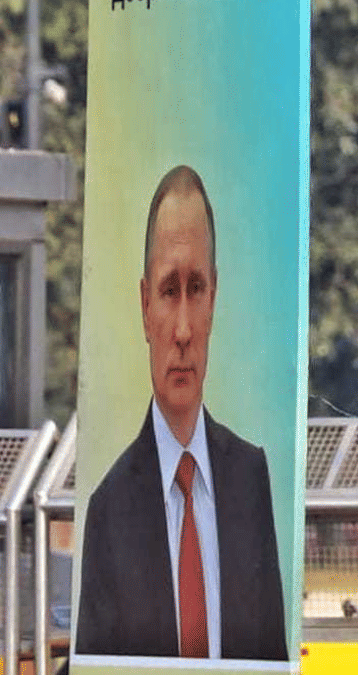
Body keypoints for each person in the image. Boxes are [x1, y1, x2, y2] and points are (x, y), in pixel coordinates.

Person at [76, 165, 287, 660]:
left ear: (214, 299)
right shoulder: (109, 508)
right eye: (170, 291)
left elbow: (272, 657)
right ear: (144, 305)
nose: (185, 331)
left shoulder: (251, 477)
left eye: (197, 289)